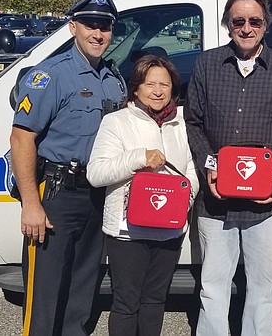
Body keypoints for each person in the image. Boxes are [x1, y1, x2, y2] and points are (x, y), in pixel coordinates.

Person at [185, 0, 272, 336]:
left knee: (263, 288)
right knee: (213, 286)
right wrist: (210, 165)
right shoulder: (207, 64)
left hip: (266, 203)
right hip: (216, 201)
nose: (247, 28)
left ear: (266, 24)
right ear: (227, 24)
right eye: (239, 20)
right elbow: (194, 124)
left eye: (255, 20)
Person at [10, 0, 126, 336]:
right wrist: (31, 204)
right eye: (90, 24)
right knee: (45, 291)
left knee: (82, 286)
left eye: (104, 26)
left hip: (96, 193)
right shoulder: (50, 75)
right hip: (56, 193)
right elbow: (21, 138)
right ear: (73, 26)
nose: (97, 33)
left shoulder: (113, 78)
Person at [86, 54, 199, 336]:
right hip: (128, 233)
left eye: (165, 84)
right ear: (136, 88)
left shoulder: (182, 125)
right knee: (126, 303)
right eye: (150, 84)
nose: (158, 91)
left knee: (155, 301)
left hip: (169, 230)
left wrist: (187, 197)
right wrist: (138, 158)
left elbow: (193, 170)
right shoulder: (116, 122)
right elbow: (97, 174)